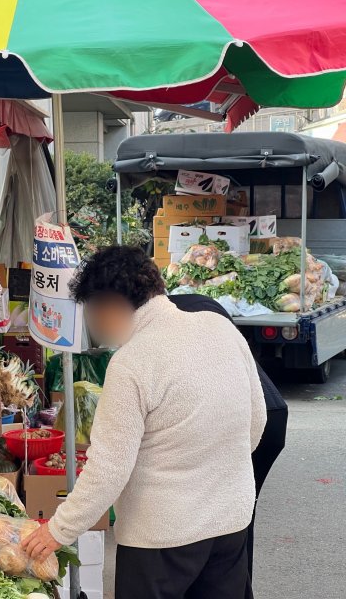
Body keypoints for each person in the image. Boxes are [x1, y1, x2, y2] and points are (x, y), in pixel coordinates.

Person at [22, 246, 267, 599]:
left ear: (109, 305)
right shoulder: (220, 327)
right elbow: (255, 420)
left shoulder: (132, 362)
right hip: (230, 521)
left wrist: (57, 531)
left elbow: (108, 469)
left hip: (160, 537)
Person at [168, 293, 288, 576]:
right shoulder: (192, 304)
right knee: (234, 517)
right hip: (263, 410)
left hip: (258, 415)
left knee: (234, 518)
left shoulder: (178, 318)